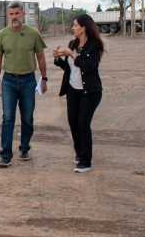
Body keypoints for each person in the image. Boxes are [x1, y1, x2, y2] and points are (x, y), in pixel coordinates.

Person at [0, 1, 48, 168]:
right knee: (8, 117)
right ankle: (5, 155)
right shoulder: (2, 35)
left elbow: (40, 57)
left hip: (28, 81)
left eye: (17, 13)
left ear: (23, 14)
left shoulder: (33, 34)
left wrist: (44, 79)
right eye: (11, 14)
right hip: (8, 80)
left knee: (27, 118)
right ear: (8, 16)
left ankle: (24, 147)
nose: (14, 17)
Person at [53, 14, 105, 173]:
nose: (73, 28)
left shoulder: (95, 45)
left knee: (83, 123)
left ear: (83, 28)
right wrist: (58, 59)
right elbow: (70, 69)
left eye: (75, 25)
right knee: (73, 123)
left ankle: (85, 161)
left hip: (90, 92)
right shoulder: (72, 43)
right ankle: (79, 152)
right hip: (72, 90)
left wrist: (71, 54)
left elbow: (88, 66)